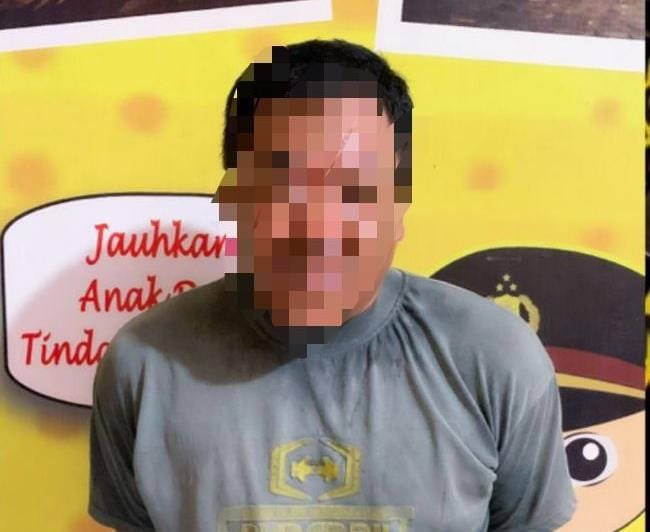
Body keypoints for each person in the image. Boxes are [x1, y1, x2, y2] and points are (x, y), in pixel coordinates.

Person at [88, 38, 577, 531]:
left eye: (355, 189)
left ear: (398, 209)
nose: (319, 227)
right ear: (233, 199)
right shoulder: (145, 364)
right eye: (283, 186)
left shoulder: (494, 360)